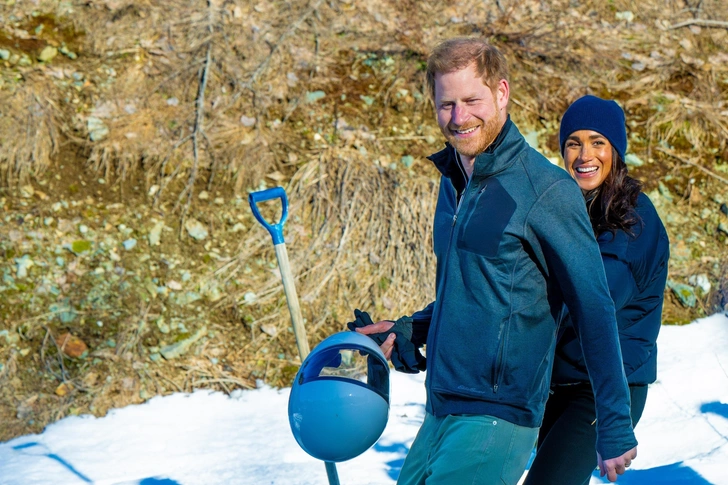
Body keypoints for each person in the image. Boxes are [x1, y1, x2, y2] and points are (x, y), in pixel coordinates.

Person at [349, 37, 637, 484]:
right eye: (447, 104)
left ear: (501, 93)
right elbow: (476, 289)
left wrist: (615, 423)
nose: (459, 117)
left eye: (471, 100)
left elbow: (593, 306)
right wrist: (410, 328)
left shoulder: (544, 189)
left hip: (497, 417)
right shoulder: (453, 184)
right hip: (440, 410)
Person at [523, 96, 670, 485]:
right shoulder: (566, 211)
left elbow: (593, 299)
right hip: (558, 382)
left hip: (604, 389)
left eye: (597, 142)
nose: (584, 154)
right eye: (573, 143)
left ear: (616, 150)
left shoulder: (634, 220)